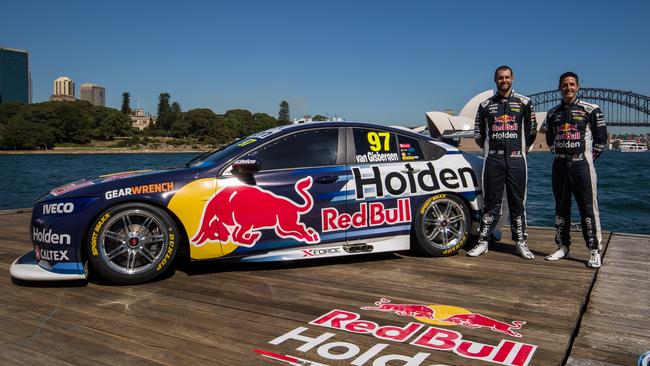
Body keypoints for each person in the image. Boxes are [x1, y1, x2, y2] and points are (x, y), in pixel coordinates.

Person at [468, 65, 537, 259]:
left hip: (516, 159)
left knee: (518, 203)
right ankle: (483, 241)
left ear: (513, 78)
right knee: (491, 202)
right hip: (493, 159)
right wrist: (490, 150)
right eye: (500, 78)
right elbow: (478, 134)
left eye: (507, 77)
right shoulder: (485, 105)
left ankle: (521, 242)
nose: (504, 81)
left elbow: (531, 131)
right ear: (495, 80)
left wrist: (520, 148)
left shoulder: (525, 102)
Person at [543, 71, 607, 268]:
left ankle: (594, 250)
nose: (568, 88)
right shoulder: (552, 113)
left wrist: (586, 158)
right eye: (564, 85)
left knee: (588, 208)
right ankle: (563, 246)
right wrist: (561, 154)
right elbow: (549, 139)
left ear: (577, 87)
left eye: (572, 84)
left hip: (582, 165)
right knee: (561, 207)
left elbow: (601, 139)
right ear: (559, 88)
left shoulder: (591, 109)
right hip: (560, 166)